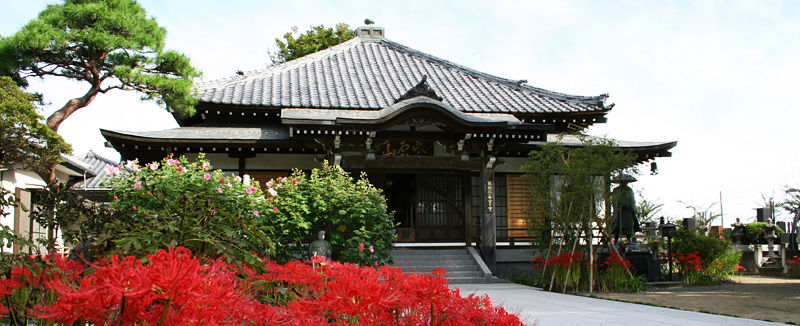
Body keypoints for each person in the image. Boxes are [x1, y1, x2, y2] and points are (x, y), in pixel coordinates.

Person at [609, 174, 641, 243]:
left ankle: (629, 239)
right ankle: (616, 240)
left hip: (627, 210)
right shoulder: (616, 190)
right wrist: (617, 203)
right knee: (617, 225)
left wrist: (632, 208)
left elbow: (632, 200)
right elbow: (614, 200)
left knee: (629, 225)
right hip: (619, 210)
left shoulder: (629, 190)